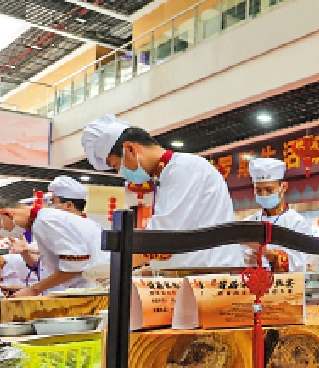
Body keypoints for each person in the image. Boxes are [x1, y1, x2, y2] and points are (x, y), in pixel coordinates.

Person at [81, 115, 243, 268]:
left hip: (211, 275)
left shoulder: (184, 169)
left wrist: (110, 267)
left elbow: (161, 239)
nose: (121, 174)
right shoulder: (170, 173)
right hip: (198, 273)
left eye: (117, 165)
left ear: (130, 149)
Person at [0, 202, 105, 296]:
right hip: (81, 290)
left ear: (7, 214)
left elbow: (74, 264)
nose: (1, 233)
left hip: (87, 291)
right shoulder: (42, 220)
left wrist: (33, 290)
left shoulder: (44, 221)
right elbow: (53, 266)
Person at [242, 158, 312, 272]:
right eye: (258, 190)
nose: (264, 195)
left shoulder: (297, 223)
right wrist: (246, 260)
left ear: (283, 187)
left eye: (269, 190)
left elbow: (300, 265)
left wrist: (267, 253)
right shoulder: (248, 223)